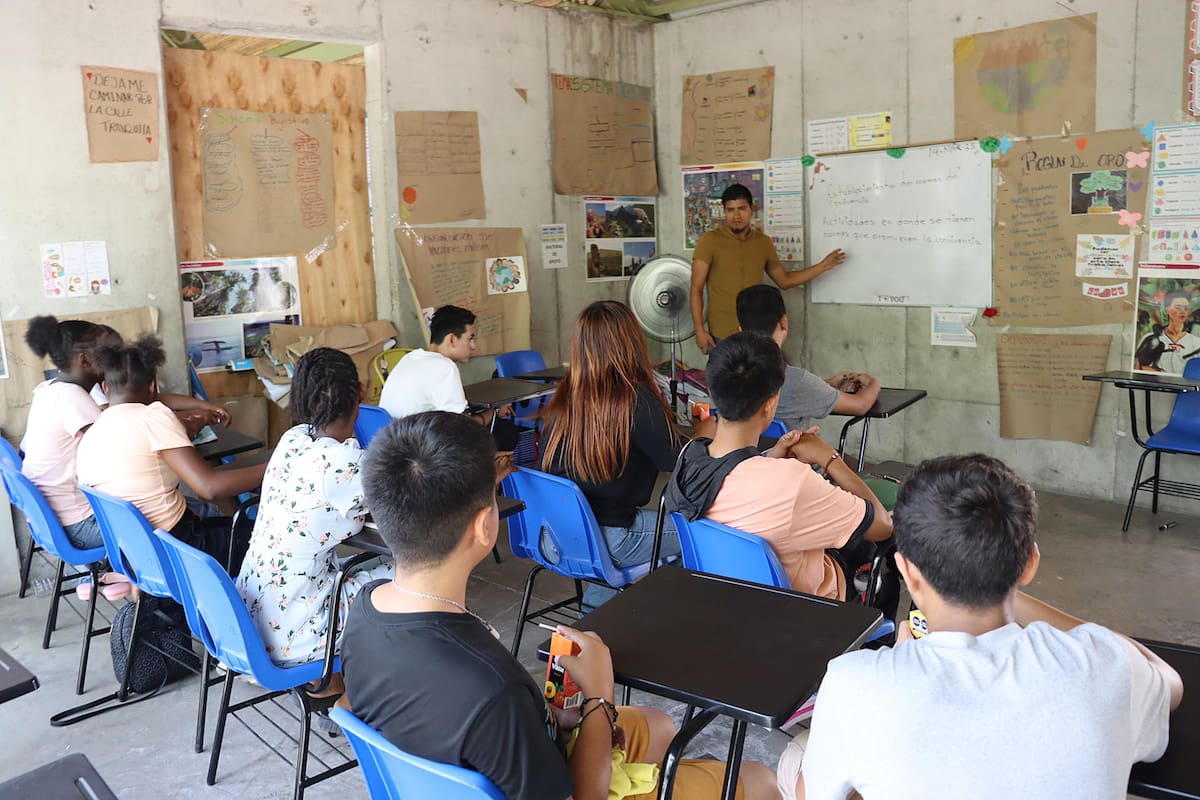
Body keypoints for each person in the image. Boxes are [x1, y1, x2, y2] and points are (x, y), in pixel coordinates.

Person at [341, 411, 781, 800]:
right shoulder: (492, 689)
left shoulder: (363, 612)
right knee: (762, 779)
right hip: (565, 775)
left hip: (496, 757)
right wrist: (597, 696)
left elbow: (442, 716)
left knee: (657, 724)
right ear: (483, 526)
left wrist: (557, 717)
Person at [783, 453, 1183, 800]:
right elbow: (1168, 683)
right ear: (1029, 563)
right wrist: (1008, 586)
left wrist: (903, 659)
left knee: (795, 758)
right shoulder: (1102, 664)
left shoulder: (856, 683)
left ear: (907, 572)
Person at [665, 332, 892, 600]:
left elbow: (733, 487)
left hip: (725, 599)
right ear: (771, 403)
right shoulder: (792, 482)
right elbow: (881, 525)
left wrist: (772, 458)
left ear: (712, 392)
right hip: (802, 612)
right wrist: (829, 458)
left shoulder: (689, 457)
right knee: (882, 563)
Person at [20, 317, 227, 577]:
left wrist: (198, 410)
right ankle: (192, 580)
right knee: (200, 510)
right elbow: (128, 431)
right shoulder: (72, 398)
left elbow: (139, 399)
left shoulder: (50, 389)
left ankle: (147, 579)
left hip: (59, 519)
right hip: (83, 524)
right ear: (83, 360)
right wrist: (191, 420)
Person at [540, 301, 714, 608]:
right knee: (708, 533)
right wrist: (706, 432)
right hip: (611, 537)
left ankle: (598, 613)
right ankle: (651, 617)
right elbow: (681, 462)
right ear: (632, 343)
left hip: (557, 535)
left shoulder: (565, 396)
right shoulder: (636, 400)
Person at [237, 348, 392, 668]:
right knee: (419, 572)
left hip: (250, 620)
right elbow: (406, 510)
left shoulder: (292, 439)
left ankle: (336, 694)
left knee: (368, 564)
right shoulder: (342, 463)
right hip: (298, 630)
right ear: (360, 394)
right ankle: (386, 686)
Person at [76, 335, 266, 573]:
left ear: (105, 388)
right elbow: (209, 487)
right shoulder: (152, 416)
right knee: (272, 537)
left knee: (233, 526)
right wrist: (274, 468)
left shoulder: (93, 433)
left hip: (141, 555)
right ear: (153, 386)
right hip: (181, 550)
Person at [691, 183, 846, 354]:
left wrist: (823, 266)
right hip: (722, 335)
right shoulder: (710, 241)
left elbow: (784, 280)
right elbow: (696, 289)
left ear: (752, 209)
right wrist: (699, 330)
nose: (736, 215)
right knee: (726, 381)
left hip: (758, 334)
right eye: (730, 210)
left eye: (741, 208)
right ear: (724, 212)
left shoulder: (763, 242)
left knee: (762, 380)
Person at [735, 285, 880, 430]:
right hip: (787, 452)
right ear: (784, 322)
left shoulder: (728, 376)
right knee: (841, 454)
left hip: (746, 452)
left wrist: (828, 384)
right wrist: (873, 382)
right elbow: (860, 405)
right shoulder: (796, 380)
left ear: (740, 329)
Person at [378, 304, 517, 451]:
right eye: (469, 338)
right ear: (451, 339)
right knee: (506, 432)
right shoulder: (444, 367)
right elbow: (462, 426)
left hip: (389, 446)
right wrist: (495, 411)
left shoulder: (410, 357)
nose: (473, 346)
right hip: (417, 451)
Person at [1135, 290, 1200, 374]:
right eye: (1178, 307)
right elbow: (1137, 367)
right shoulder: (1150, 338)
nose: (1183, 311)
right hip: (1156, 384)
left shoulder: (1196, 343)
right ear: (1167, 309)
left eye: (1186, 308)